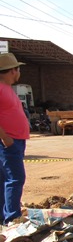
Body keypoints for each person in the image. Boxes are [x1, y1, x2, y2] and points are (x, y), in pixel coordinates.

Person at [0, 53, 30, 225]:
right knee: (15, 179)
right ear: (13, 70)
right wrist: (5, 138)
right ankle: (12, 219)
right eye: (18, 69)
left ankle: (4, 217)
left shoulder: (7, 89)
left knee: (5, 179)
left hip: (15, 141)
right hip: (8, 142)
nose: (19, 73)